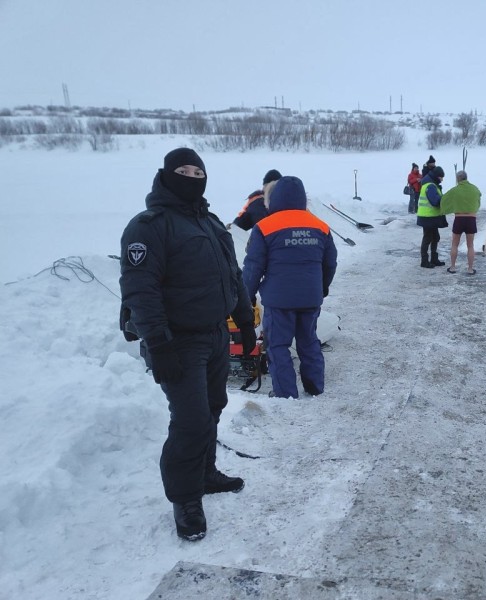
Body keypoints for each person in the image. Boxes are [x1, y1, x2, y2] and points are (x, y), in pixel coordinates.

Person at [119, 148, 256, 542]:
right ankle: (185, 499)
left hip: (214, 334)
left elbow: (233, 275)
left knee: (213, 408)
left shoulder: (212, 223)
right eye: (184, 170)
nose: (192, 176)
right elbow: (140, 289)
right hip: (177, 341)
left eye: (198, 170)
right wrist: (158, 344)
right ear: (166, 175)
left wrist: (245, 322)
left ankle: (206, 473)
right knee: (191, 420)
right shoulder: (149, 226)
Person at [242, 176, 337, 399]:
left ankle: (285, 393)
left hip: (278, 300)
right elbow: (330, 262)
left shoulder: (264, 227)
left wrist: (247, 295)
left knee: (277, 346)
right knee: (309, 342)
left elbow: (253, 266)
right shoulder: (320, 226)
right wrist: (321, 288)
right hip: (310, 298)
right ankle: (315, 387)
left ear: (274, 199)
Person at [440, 170, 481, 275]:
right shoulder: (474, 189)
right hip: (471, 219)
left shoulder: (455, 190)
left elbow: (444, 199)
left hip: (459, 219)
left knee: (454, 244)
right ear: (466, 178)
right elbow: (478, 201)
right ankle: (470, 269)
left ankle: (453, 267)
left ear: (458, 179)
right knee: (470, 245)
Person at [416, 166, 448, 268]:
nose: (442, 180)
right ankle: (424, 261)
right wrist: (445, 199)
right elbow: (435, 201)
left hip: (431, 217)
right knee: (428, 238)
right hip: (427, 217)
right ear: (436, 176)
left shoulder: (432, 185)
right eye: (441, 177)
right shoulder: (430, 186)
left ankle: (434, 259)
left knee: (435, 237)